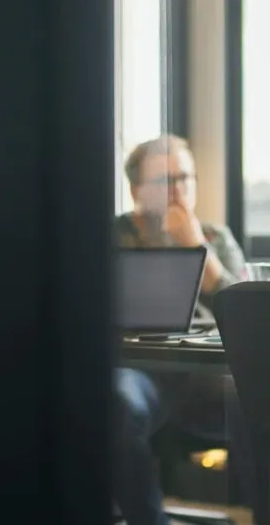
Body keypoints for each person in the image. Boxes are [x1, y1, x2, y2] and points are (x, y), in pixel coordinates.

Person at [112, 135, 249, 525]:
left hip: (203, 377)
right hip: (138, 371)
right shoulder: (111, 236)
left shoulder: (215, 236)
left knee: (256, 396)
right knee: (116, 402)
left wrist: (197, 247)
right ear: (136, 190)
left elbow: (244, 308)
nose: (178, 189)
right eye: (165, 180)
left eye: (185, 178)